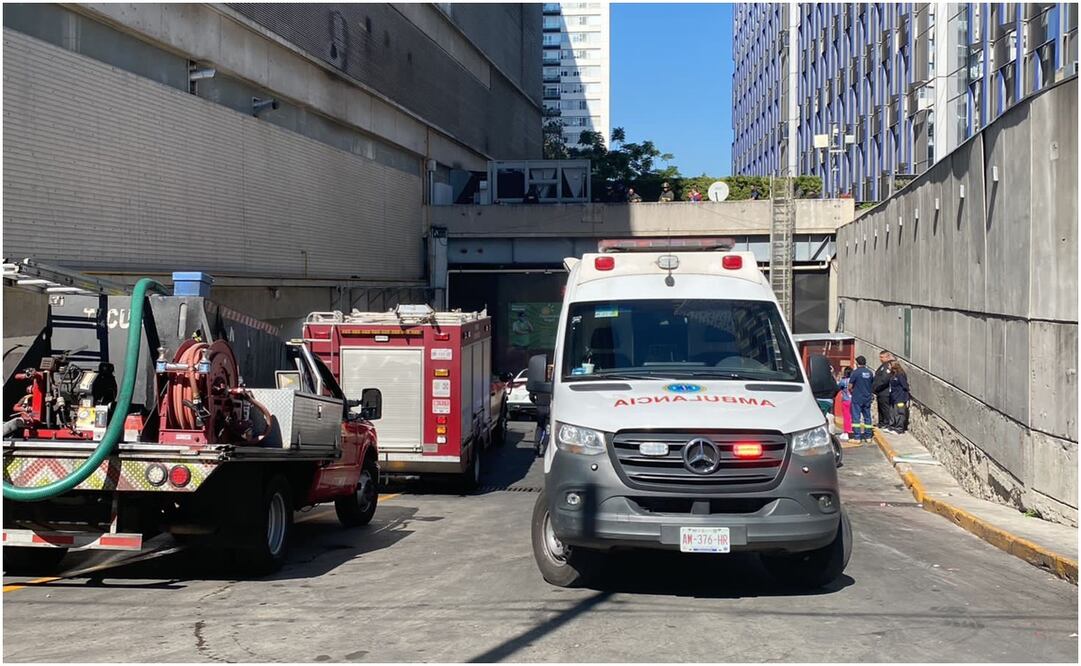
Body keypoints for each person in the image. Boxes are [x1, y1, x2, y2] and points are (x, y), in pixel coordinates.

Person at [848, 356, 875, 441]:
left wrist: (852, 392)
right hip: (867, 398)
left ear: (857, 363)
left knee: (856, 418)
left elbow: (850, 386)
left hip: (857, 398)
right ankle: (868, 436)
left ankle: (857, 437)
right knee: (867, 417)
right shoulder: (870, 373)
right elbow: (872, 385)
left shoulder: (855, 373)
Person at [871, 350, 894, 430]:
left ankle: (887, 423)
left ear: (887, 357)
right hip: (880, 392)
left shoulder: (887, 366)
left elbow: (884, 380)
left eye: (882, 357)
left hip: (884, 391)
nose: (880, 359)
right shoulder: (882, 366)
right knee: (880, 408)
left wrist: (876, 388)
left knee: (885, 408)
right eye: (880, 357)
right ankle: (881, 422)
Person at [887, 361, 911, 434]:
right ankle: (892, 426)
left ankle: (899, 429)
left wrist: (905, 396)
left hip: (900, 397)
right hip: (894, 397)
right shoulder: (893, 375)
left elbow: (905, 386)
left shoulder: (900, 375)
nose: (888, 367)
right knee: (893, 412)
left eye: (889, 365)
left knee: (899, 413)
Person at [838, 367, 854, 440]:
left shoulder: (843, 381)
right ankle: (853, 431)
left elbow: (838, 387)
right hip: (853, 400)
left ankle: (847, 431)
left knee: (846, 417)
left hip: (846, 400)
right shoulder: (854, 381)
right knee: (853, 417)